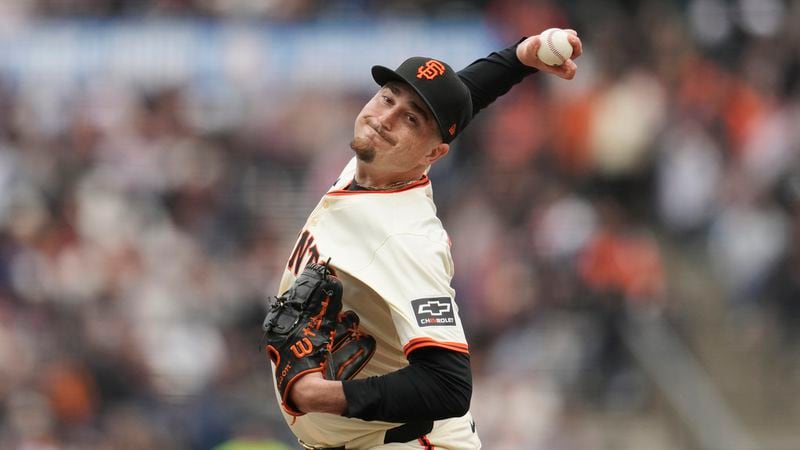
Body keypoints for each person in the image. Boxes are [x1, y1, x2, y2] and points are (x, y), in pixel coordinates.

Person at [269, 29, 582, 449]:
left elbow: (449, 383)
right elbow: (460, 96)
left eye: (410, 118)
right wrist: (520, 57)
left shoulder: (407, 239)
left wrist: (319, 395)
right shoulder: (377, 163)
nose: (386, 118)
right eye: (387, 97)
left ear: (433, 154)